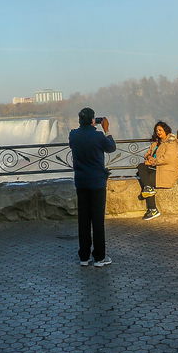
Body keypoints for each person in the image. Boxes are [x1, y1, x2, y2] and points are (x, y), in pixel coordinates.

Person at [69, 107, 116, 266]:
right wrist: (106, 129)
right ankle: (99, 257)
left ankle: (84, 256)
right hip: (97, 182)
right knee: (97, 221)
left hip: (81, 182)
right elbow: (111, 148)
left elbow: (77, 134)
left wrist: (88, 124)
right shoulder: (98, 136)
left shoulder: (73, 135)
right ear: (92, 120)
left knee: (83, 220)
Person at [136, 121, 178, 221]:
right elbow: (147, 154)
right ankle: (152, 206)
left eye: (160, 130)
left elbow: (168, 158)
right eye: (157, 131)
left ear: (166, 130)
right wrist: (149, 157)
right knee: (141, 167)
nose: (158, 132)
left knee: (146, 181)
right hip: (155, 170)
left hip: (166, 172)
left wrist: (153, 162)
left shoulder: (171, 142)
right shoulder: (156, 143)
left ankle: (152, 209)